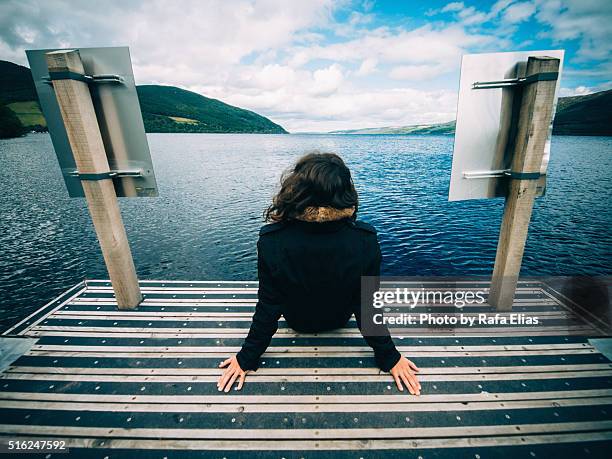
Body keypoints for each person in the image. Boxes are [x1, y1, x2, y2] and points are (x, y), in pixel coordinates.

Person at [217, 152, 421, 395]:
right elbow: (367, 307)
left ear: (295, 190)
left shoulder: (271, 241)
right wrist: (389, 357)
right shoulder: (365, 240)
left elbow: (269, 305)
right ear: (345, 193)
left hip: (297, 322)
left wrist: (247, 357)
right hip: (339, 320)